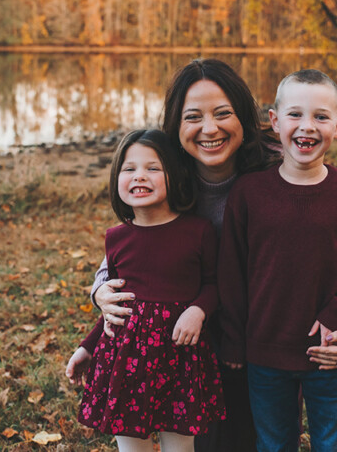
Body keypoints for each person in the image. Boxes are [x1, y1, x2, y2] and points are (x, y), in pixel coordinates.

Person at [66, 59, 337, 451]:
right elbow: (135, 242)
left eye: (223, 113)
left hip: (266, 336)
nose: (210, 129)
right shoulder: (165, 174)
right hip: (186, 343)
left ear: (245, 117)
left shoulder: (282, 166)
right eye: (193, 117)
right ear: (176, 125)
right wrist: (100, 289)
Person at [217, 69, 337, 452]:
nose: (307, 126)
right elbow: (232, 273)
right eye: (295, 114)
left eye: (320, 117)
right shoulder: (249, 192)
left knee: (333, 444)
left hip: (329, 351)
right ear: (275, 121)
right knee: (274, 444)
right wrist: (234, 340)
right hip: (265, 352)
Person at [74, 129, 225, 452]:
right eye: (129, 169)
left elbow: (214, 284)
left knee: (180, 447)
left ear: (175, 175)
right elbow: (115, 307)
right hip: (126, 362)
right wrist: (88, 347)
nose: (139, 176)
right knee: (132, 447)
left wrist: (198, 310)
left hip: (180, 357)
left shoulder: (197, 231)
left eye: (153, 168)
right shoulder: (117, 238)